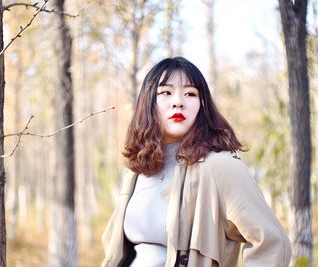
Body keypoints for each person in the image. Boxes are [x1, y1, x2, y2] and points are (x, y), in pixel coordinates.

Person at [101, 57, 291, 267]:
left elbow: (271, 243)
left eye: (190, 93)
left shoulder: (219, 167)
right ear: (148, 102)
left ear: (202, 105)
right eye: (166, 92)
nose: (178, 102)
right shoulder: (136, 172)